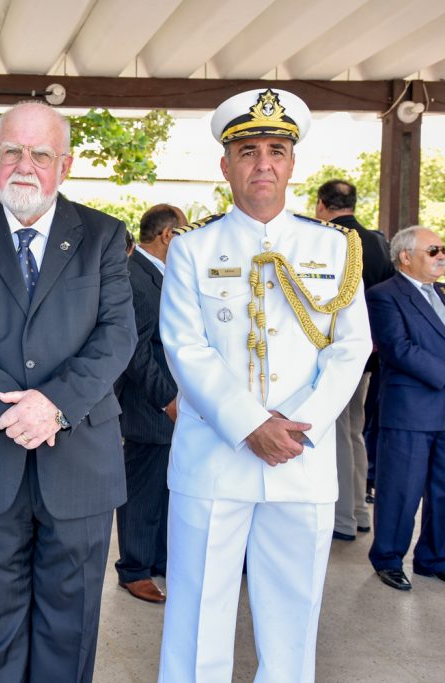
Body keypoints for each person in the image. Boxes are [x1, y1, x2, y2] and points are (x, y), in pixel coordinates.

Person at [158, 88, 371, 682]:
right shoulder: (193, 248)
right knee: (197, 614)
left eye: (276, 151)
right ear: (225, 165)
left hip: (301, 456)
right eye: (248, 152)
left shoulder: (335, 247)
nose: (263, 164)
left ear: (292, 164)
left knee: (293, 618)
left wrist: (300, 426)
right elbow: (185, 347)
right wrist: (251, 423)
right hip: (214, 455)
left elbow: (351, 346)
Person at [0, 101, 136, 682]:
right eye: (12, 151)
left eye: (40, 154)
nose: (24, 165)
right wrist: (10, 412)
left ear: (64, 165)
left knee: (72, 621)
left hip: (79, 458)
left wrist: (54, 405)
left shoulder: (103, 235)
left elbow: (118, 333)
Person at [366, 226, 445, 590]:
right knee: (401, 489)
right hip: (409, 410)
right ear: (406, 256)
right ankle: (388, 558)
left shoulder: (441, 293)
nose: (441, 256)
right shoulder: (384, 295)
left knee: (442, 490)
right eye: (433, 250)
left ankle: (434, 558)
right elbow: (398, 348)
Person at [315, 179, 395, 541]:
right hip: (369, 356)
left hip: (336, 352)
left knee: (337, 433)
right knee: (354, 431)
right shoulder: (377, 242)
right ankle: (361, 512)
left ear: (321, 204)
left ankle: (343, 518)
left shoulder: (328, 240)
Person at [113, 204, 182, 604]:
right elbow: (135, 350)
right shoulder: (134, 276)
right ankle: (134, 569)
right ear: (167, 235)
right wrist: (167, 399)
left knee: (162, 487)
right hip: (149, 404)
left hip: (166, 402)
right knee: (142, 490)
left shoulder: (158, 273)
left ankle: (158, 558)